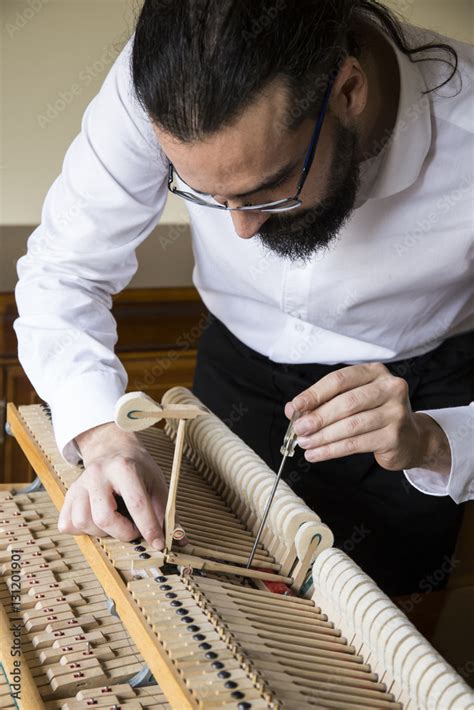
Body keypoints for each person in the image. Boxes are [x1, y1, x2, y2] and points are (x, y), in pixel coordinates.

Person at [14, 0, 473, 596]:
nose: (242, 232)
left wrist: (432, 440)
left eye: (267, 189)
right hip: (236, 374)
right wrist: (101, 434)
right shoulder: (156, 89)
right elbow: (63, 272)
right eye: (205, 195)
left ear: (349, 92)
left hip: (416, 403)